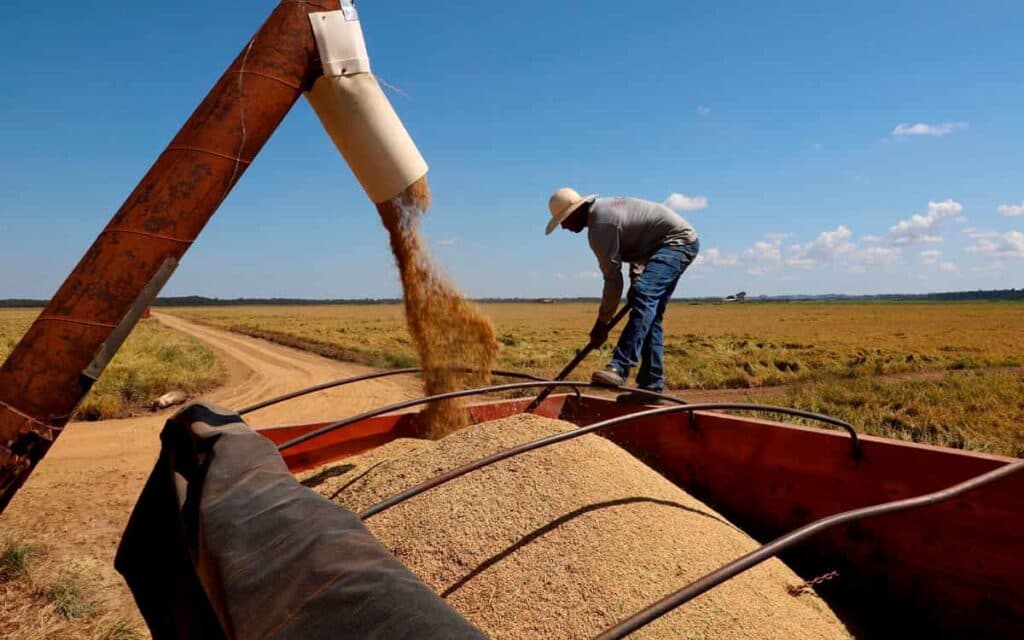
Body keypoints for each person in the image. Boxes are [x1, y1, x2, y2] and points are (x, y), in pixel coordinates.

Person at [545, 187, 700, 402]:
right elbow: (636, 245)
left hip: (677, 243)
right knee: (650, 314)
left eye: (563, 220)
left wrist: (602, 322)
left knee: (644, 297)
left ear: (575, 212)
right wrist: (637, 282)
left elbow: (613, 281)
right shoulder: (604, 215)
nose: (563, 226)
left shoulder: (600, 226)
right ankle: (652, 387)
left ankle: (620, 367)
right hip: (661, 247)